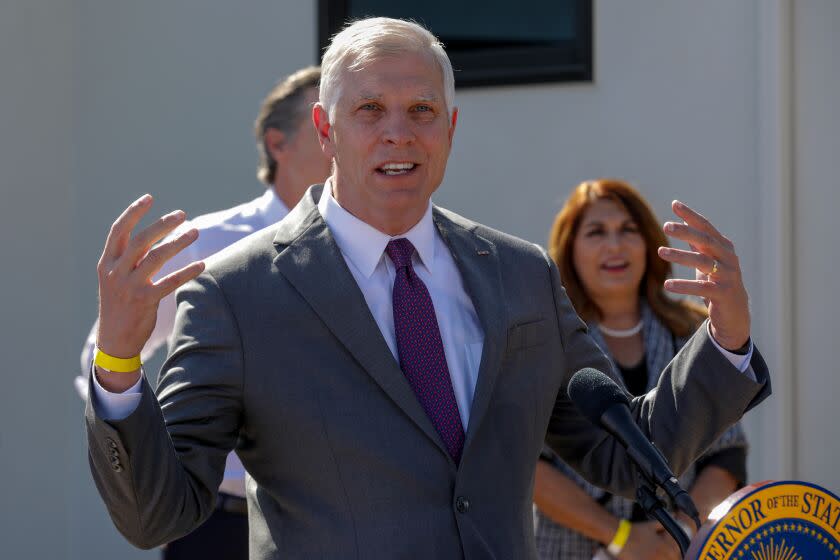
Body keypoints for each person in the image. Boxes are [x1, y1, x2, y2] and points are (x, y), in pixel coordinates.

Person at [84, 17, 770, 559]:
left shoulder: (518, 274)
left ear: (450, 127)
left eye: (420, 110)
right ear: (325, 130)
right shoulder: (238, 295)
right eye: (370, 110)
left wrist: (727, 339)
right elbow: (160, 513)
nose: (397, 134)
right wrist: (117, 362)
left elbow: (623, 454)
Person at [76, 66, 330, 560]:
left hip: (335, 527)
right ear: (277, 143)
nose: (336, 137)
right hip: (218, 526)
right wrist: (155, 459)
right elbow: (105, 355)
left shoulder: (377, 252)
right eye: (321, 123)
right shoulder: (207, 245)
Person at [533, 179, 749, 560]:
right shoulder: (545, 342)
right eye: (597, 233)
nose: (614, 245)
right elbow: (529, 465)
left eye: (627, 231)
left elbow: (725, 455)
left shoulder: (692, 332)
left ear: (648, 244)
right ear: (569, 250)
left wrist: (679, 530)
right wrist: (621, 538)